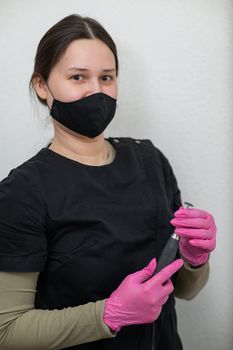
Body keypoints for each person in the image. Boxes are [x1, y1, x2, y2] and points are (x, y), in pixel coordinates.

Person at [0, 14, 216, 350]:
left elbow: (185, 290)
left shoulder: (149, 161)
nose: (97, 92)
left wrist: (194, 259)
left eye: (106, 77)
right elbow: (8, 331)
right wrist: (110, 314)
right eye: (77, 77)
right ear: (43, 86)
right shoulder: (22, 194)